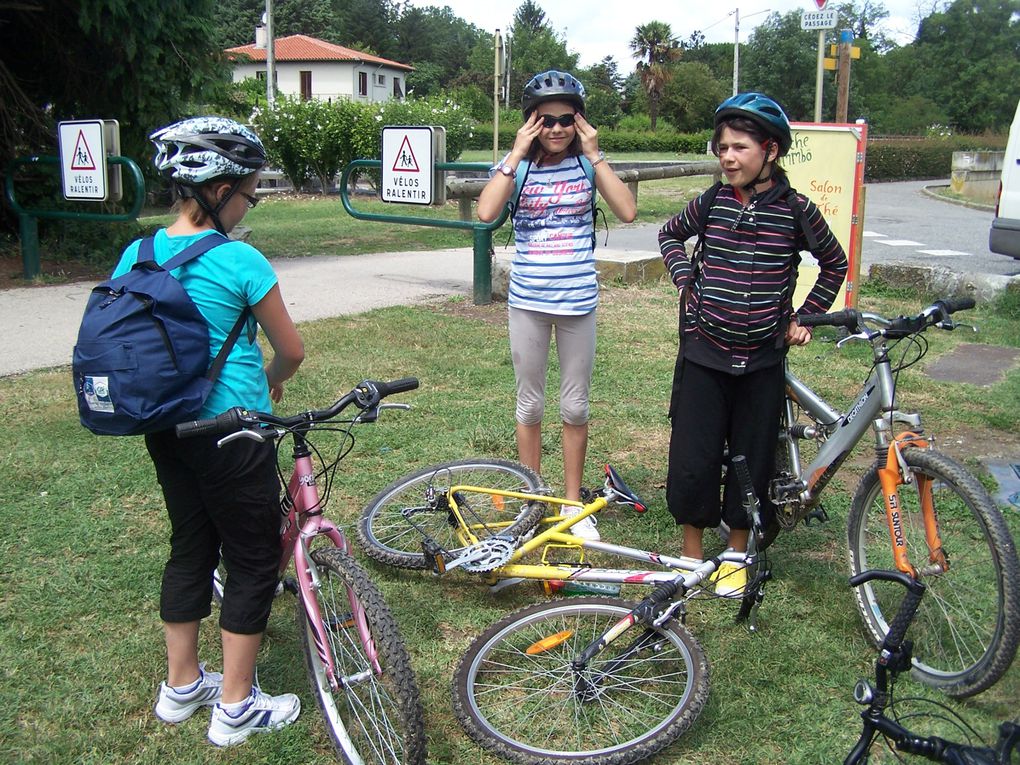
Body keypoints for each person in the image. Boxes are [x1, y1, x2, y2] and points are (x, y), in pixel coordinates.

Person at [113, 117, 305, 745]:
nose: (252, 202)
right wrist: (273, 379)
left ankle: (181, 685)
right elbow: (292, 350)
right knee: (251, 557)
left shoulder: (137, 252)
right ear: (219, 189)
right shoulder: (240, 259)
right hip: (233, 431)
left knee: (190, 544)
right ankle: (236, 705)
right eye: (249, 191)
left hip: (166, 426)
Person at [659, 93, 847, 594]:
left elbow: (835, 263)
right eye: (722, 147)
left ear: (770, 151)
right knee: (694, 455)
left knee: (751, 456)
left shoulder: (795, 210)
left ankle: (736, 552)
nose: (728, 157)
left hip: (763, 358)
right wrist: (686, 284)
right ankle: (690, 555)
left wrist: (807, 314)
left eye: (740, 147)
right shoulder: (712, 202)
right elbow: (669, 236)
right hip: (703, 351)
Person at [477, 70, 637, 541]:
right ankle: (531, 500)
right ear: (530, 122)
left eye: (566, 119)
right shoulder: (519, 167)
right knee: (529, 405)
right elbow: (486, 213)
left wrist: (595, 153)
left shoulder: (588, 165)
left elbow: (627, 211)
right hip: (527, 301)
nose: (556, 129)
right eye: (545, 120)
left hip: (578, 303)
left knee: (575, 406)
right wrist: (515, 154)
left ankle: (570, 503)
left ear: (580, 120)